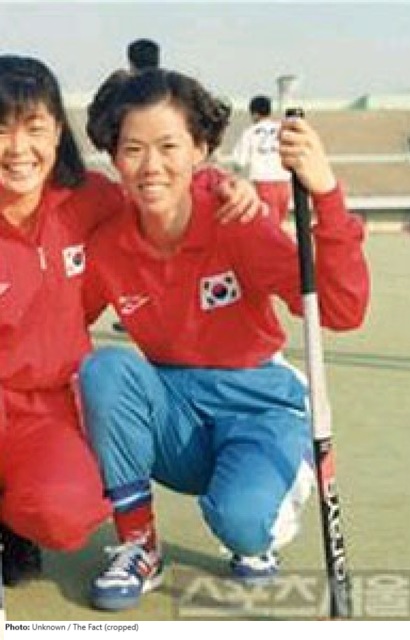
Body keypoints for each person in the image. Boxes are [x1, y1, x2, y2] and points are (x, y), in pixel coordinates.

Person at [78, 67, 370, 611]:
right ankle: (139, 546)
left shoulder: (238, 220)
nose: (151, 166)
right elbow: (59, 325)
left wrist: (327, 195)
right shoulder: (108, 248)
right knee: (106, 370)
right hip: (177, 413)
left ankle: (259, 518)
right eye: (133, 149)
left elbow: (341, 309)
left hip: (258, 405)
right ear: (113, 157)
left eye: (169, 146)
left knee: (242, 523)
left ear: (201, 149)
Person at [0, 54, 262, 587]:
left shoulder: (90, 200)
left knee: (69, 512)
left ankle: (13, 523)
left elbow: (159, 188)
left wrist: (219, 185)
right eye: (0, 130)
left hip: (45, 409)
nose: (18, 148)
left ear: (58, 131)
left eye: (34, 127)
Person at [232, 94, 292, 226]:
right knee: (280, 223)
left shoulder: (250, 132)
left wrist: (235, 178)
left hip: (263, 181)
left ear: (254, 114)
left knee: (270, 223)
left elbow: (239, 162)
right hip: (283, 181)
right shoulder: (282, 128)